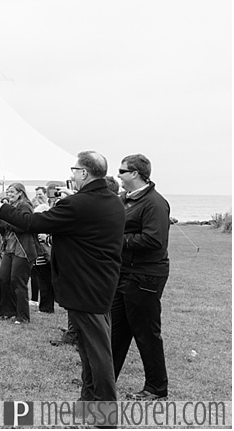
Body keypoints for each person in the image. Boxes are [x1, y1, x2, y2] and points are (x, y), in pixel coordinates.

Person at [0, 151, 125, 405]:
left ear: (85, 173)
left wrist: (0, 209)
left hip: (85, 286)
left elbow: (32, 222)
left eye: (74, 170)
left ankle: (106, 412)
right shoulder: (112, 201)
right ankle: (87, 401)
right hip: (101, 282)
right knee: (87, 349)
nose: (71, 175)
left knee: (97, 351)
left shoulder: (79, 204)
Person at [111, 154, 171, 401]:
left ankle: (156, 387)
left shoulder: (154, 203)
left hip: (145, 276)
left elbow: (154, 240)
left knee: (146, 332)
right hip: (124, 272)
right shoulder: (126, 200)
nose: (118, 176)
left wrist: (118, 240)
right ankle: (102, 378)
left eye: (121, 171)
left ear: (135, 173)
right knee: (116, 330)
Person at [0, 183, 38, 324]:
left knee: (17, 281)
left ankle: (22, 316)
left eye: (12, 192)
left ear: (20, 193)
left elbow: (23, 226)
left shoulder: (25, 206)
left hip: (23, 249)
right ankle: (7, 312)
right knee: (4, 278)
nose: (9, 195)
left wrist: (2, 221)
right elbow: (7, 229)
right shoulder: (12, 207)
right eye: (7, 192)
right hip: (10, 248)